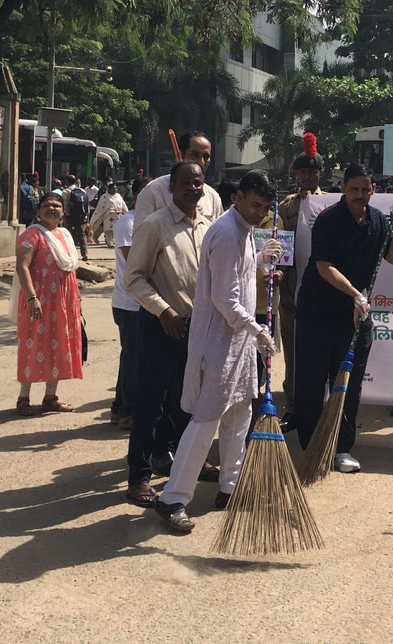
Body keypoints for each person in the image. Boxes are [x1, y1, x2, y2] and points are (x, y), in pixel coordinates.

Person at [154, 171, 281, 533]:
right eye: (254, 205)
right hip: (218, 341)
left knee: (240, 413)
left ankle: (229, 485)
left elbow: (237, 278)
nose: (259, 213)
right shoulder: (227, 233)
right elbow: (225, 298)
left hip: (238, 342)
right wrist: (256, 329)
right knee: (206, 420)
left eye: (264, 208)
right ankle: (173, 498)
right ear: (237, 197)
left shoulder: (244, 229)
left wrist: (261, 262)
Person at [294, 164, 393, 473]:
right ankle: (313, 446)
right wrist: (355, 293)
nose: (360, 195)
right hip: (317, 315)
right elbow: (323, 266)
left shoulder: (379, 222)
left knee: (349, 386)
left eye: (366, 190)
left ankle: (342, 447)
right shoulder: (329, 220)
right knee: (312, 385)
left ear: (373, 190)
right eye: (354, 189)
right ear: (343, 188)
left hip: (355, 319)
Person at [123, 161, 214, 507]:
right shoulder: (153, 225)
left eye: (198, 183)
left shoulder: (208, 227)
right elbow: (135, 278)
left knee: (188, 402)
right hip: (161, 325)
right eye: (186, 183)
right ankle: (138, 478)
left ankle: (191, 464)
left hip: (196, 329)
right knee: (150, 404)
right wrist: (163, 310)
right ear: (171, 187)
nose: (193, 188)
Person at [13, 193, 84, 416]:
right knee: (34, 344)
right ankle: (23, 398)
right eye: (47, 205)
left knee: (59, 344)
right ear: (38, 210)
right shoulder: (32, 234)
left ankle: (50, 397)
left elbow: (70, 269)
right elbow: (22, 267)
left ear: (63, 211)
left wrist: (77, 300)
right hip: (39, 300)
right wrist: (32, 298)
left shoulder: (64, 235)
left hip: (64, 300)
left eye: (56, 206)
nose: (52, 209)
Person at [274, 133, 325, 431]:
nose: (307, 176)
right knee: (293, 355)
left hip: (320, 292)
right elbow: (281, 251)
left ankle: (319, 406)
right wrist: (283, 291)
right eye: (302, 172)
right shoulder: (286, 207)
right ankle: (293, 406)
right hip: (292, 292)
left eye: (312, 171)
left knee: (319, 353)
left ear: (319, 174)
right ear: (296, 174)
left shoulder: (330, 203)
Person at [110, 176, 149, 430]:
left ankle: (122, 407)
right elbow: (135, 260)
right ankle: (125, 410)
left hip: (144, 302)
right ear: (137, 196)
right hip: (129, 302)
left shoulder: (149, 222)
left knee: (138, 358)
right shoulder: (129, 222)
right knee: (132, 357)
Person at [133, 130, 224, 227]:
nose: (201, 161)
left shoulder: (213, 197)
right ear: (180, 154)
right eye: (195, 155)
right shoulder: (153, 192)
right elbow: (142, 237)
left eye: (206, 157)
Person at [60, 175, 90, 261]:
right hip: (81, 216)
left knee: (67, 234)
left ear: (67, 182)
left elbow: (64, 205)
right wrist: (87, 215)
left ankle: (68, 254)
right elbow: (86, 203)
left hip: (70, 216)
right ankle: (85, 254)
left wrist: (64, 216)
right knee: (82, 235)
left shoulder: (66, 191)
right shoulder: (82, 190)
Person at [90, 181, 128, 246]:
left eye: (116, 188)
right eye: (113, 188)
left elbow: (123, 205)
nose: (115, 189)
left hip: (118, 215)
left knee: (117, 230)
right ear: (109, 189)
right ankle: (109, 243)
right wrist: (98, 216)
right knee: (109, 230)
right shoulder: (104, 196)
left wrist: (127, 213)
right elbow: (100, 208)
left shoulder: (118, 196)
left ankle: (116, 242)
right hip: (108, 215)